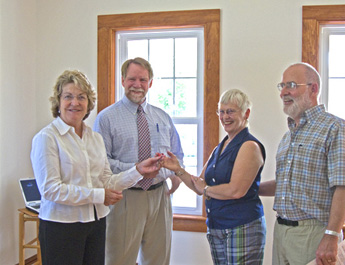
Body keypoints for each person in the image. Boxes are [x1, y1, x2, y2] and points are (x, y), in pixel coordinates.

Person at [30, 70, 162, 265]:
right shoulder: (47, 138)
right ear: (58, 102)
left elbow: (107, 180)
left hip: (96, 223)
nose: (75, 103)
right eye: (68, 97)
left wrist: (138, 171)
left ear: (88, 103)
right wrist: (100, 196)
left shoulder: (95, 138)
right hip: (61, 226)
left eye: (81, 97)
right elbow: (51, 190)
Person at [93, 57, 184, 265]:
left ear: (150, 83)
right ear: (123, 80)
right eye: (132, 79)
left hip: (160, 197)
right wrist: (136, 170)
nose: (137, 85)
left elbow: (178, 154)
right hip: (125, 197)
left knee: (159, 260)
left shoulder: (162, 117)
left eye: (143, 80)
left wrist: (176, 174)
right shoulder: (106, 118)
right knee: (118, 260)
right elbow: (101, 164)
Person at [161, 88, 266, 265]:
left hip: (242, 227)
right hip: (217, 227)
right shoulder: (221, 146)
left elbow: (236, 190)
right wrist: (177, 169)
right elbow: (198, 185)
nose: (225, 117)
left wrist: (207, 189)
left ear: (246, 113)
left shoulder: (249, 146)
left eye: (231, 111)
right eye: (222, 111)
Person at [259, 62, 345, 265]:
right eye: (281, 86)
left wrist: (332, 234)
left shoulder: (335, 128)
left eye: (291, 84)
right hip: (282, 231)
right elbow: (284, 184)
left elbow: (343, 186)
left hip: (314, 234)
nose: (283, 92)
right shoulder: (287, 136)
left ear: (313, 88)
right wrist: (250, 189)